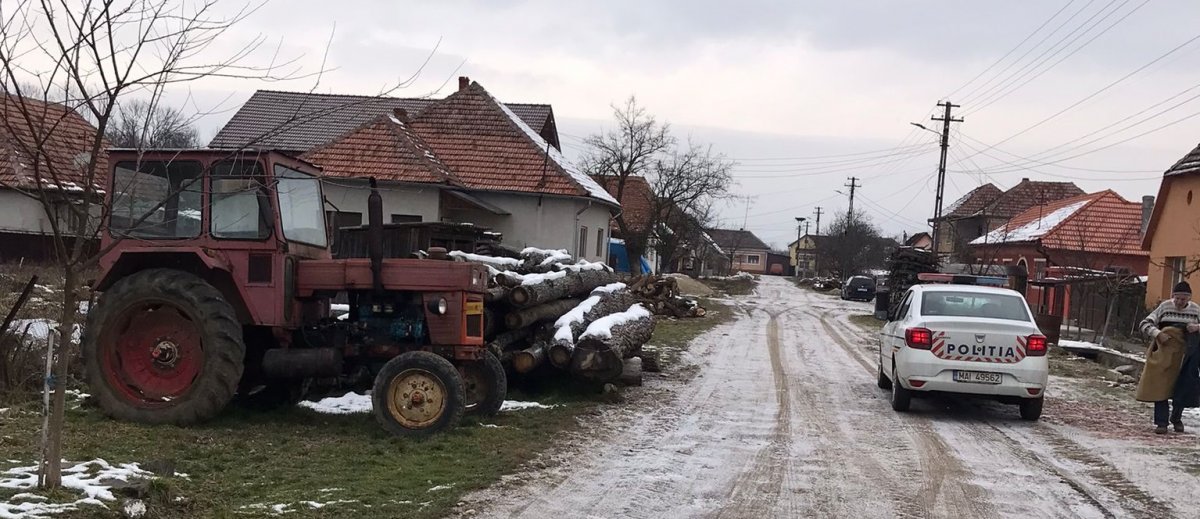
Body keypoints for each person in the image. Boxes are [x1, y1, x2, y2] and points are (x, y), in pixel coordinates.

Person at [1139, 281, 1200, 434]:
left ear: (1189, 298)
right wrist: (1158, 334)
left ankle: (1176, 418)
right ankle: (1161, 423)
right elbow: (1144, 323)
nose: (1180, 302)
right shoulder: (1165, 307)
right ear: (1173, 296)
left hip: (1185, 355)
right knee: (1161, 386)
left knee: (1183, 385)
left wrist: (1197, 327)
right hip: (1164, 353)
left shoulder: (1195, 310)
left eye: (1184, 299)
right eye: (1177, 298)